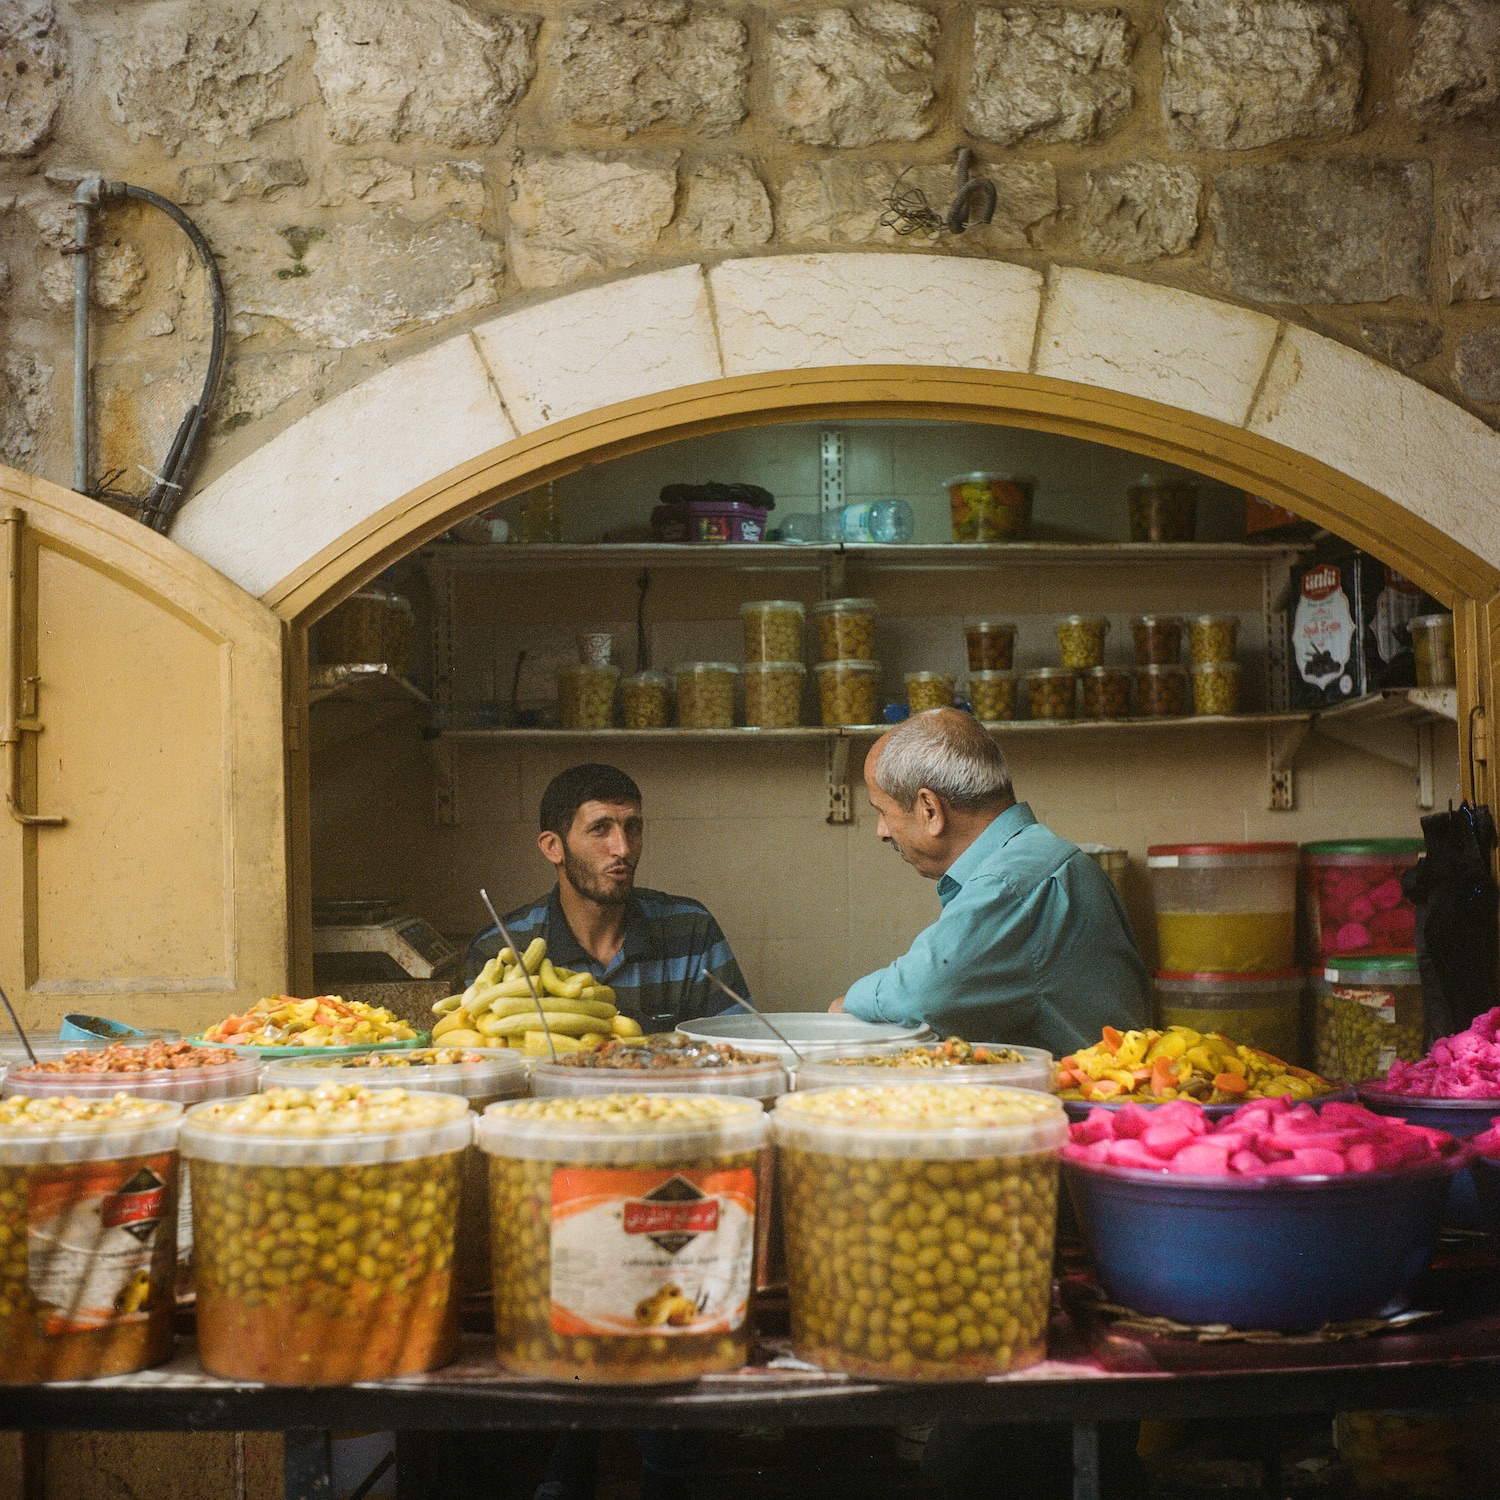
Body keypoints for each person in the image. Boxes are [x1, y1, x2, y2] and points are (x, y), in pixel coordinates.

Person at [836, 706, 1151, 1055]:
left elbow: (923, 993)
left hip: (1082, 1104)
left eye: (882, 811)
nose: (881, 832)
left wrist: (845, 1006)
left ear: (930, 810)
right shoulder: (1040, 859)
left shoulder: (1015, 883)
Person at [464, 762, 751, 1029]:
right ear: (553, 847)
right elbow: (486, 1060)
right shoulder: (500, 949)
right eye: (600, 829)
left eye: (633, 828)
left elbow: (740, 1046)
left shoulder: (690, 930)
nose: (623, 849)